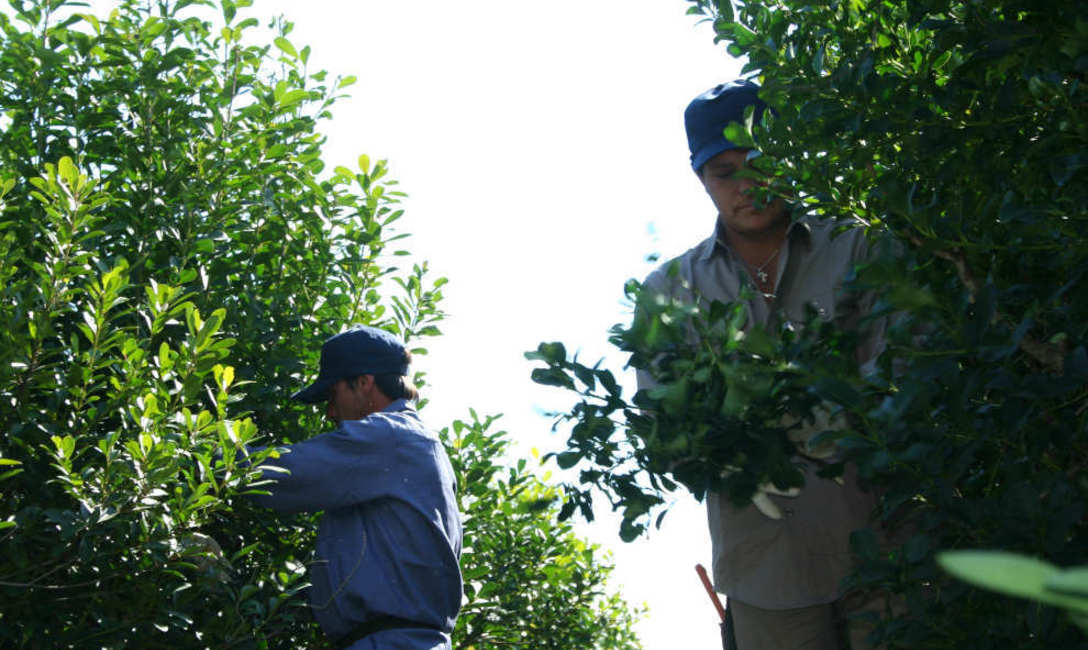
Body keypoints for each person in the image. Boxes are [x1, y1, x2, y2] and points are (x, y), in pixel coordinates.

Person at [638, 80, 886, 649]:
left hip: (892, 549)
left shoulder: (860, 247)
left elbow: (904, 381)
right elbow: (670, 437)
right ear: (700, 178)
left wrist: (764, 421)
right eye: (725, 172)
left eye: (761, 160)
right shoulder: (668, 291)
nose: (747, 184)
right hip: (764, 576)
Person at [248, 325, 463, 650]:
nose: (330, 412)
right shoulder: (419, 445)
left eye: (333, 396)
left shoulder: (387, 437)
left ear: (364, 383)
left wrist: (200, 459)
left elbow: (286, 473)